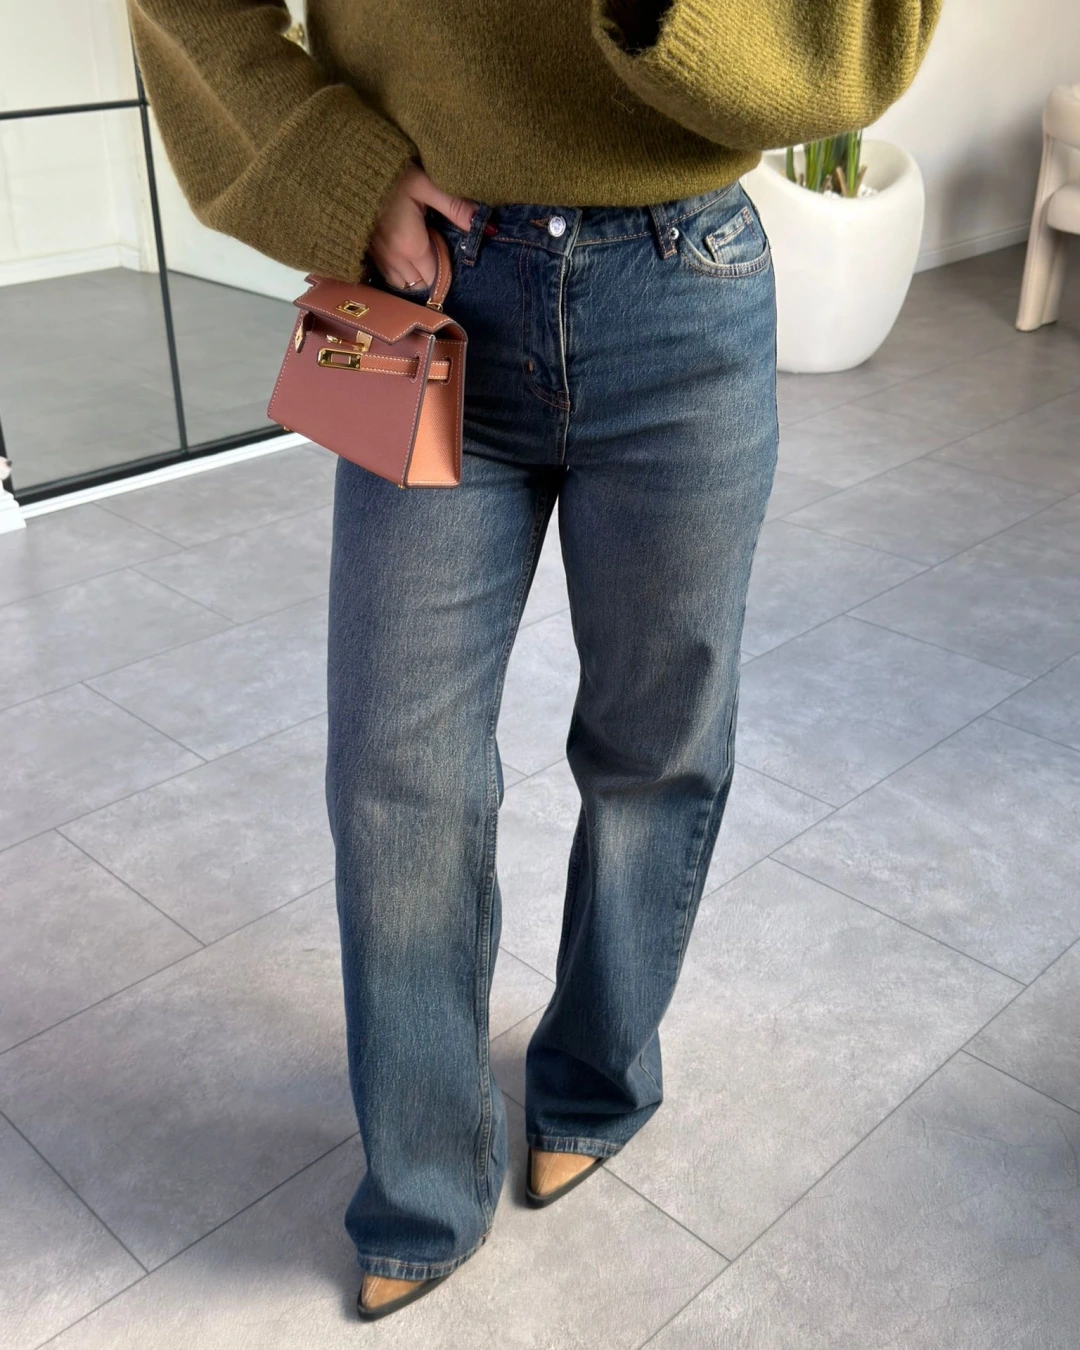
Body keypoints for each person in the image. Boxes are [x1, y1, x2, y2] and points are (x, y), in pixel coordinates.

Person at [127, 0, 943, 1321]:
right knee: (393, 767)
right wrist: (338, 169)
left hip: (686, 279)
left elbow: (859, 34)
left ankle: (596, 1079)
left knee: (659, 739)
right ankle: (423, 1175)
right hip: (419, 277)